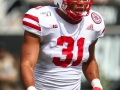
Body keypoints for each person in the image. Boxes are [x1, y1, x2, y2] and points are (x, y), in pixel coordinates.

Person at [20, 0, 105, 90]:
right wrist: (31, 88)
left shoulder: (93, 22)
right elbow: (27, 64)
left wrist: (97, 85)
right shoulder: (41, 18)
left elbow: (89, 60)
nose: (81, 2)